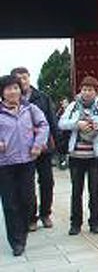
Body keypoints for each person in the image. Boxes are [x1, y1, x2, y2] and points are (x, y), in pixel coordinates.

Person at [58, 76, 98, 236]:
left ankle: (95, 222)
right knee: (76, 191)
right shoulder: (73, 107)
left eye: (90, 90)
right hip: (76, 155)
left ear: (96, 92)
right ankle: (75, 223)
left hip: (95, 156)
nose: (86, 92)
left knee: (94, 190)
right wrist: (77, 124)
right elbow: (61, 123)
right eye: (84, 89)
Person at [0, 75, 49, 256]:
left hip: (27, 161)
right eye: (8, 89)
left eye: (15, 88)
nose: (13, 92)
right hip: (5, 164)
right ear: (2, 92)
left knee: (27, 201)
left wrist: (37, 145)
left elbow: (43, 125)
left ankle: (22, 231)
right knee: (10, 203)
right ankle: (17, 241)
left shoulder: (30, 108)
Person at [10, 67, 59, 231]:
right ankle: (31, 217)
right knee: (27, 185)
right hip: (23, 150)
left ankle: (45, 213)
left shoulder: (42, 97)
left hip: (43, 148)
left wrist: (59, 145)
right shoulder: (10, 100)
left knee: (47, 181)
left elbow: (51, 121)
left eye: (25, 77)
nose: (22, 81)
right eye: (18, 78)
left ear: (29, 78)